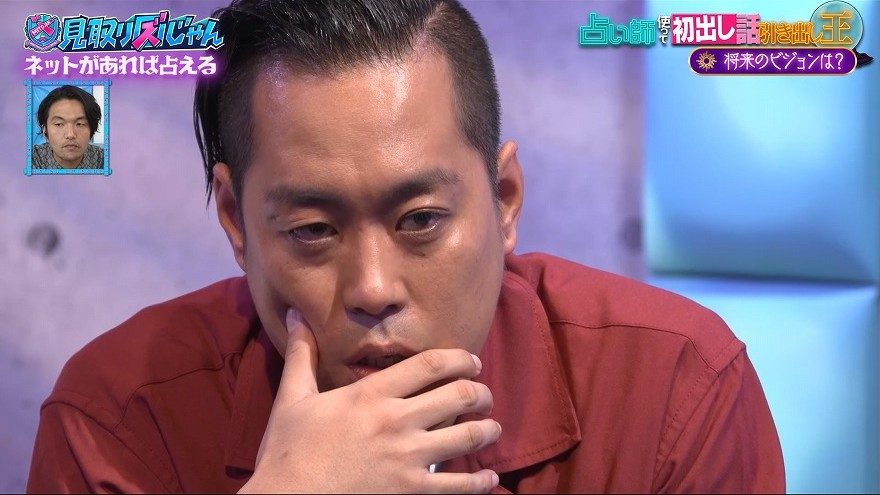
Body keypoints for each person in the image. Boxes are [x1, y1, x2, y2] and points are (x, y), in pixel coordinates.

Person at [26, 1, 785, 493]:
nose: (373, 287)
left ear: (505, 199)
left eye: (419, 220)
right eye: (313, 231)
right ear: (235, 221)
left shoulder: (673, 386)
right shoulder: (121, 420)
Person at [31, 85, 104, 170]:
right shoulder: (32, 158)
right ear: (45, 129)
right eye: (59, 124)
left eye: (80, 124)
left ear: (92, 129)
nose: (70, 135)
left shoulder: (102, 159)